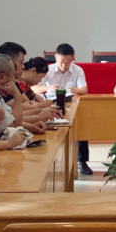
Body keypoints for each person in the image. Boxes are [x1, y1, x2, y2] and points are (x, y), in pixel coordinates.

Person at [37, 44, 92, 174]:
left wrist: (76, 90)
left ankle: (82, 161)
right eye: (62, 61)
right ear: (55, 57)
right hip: (51, 104)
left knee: (82, 125)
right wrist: (47, 88)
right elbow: (34, 88)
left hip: (71, 104)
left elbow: (84, 89)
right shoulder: (48, 70)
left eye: (68, 61)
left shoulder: (77, 70)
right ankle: (49, 161)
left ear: (73, 58)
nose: (64, 65)